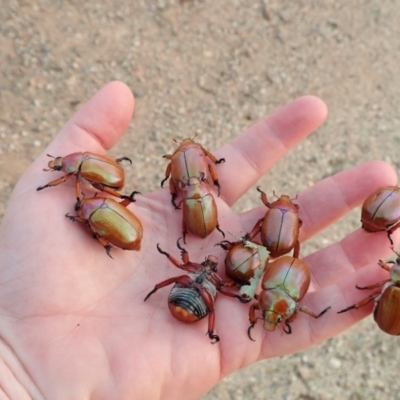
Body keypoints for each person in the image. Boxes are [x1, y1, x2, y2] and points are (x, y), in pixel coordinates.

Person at [0, 81, 397, 399]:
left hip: (195, 284)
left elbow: (184, 272)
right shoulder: (226, 285)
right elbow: (216, 282)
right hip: (202, 289)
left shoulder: (223, 279)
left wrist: (20, 372)